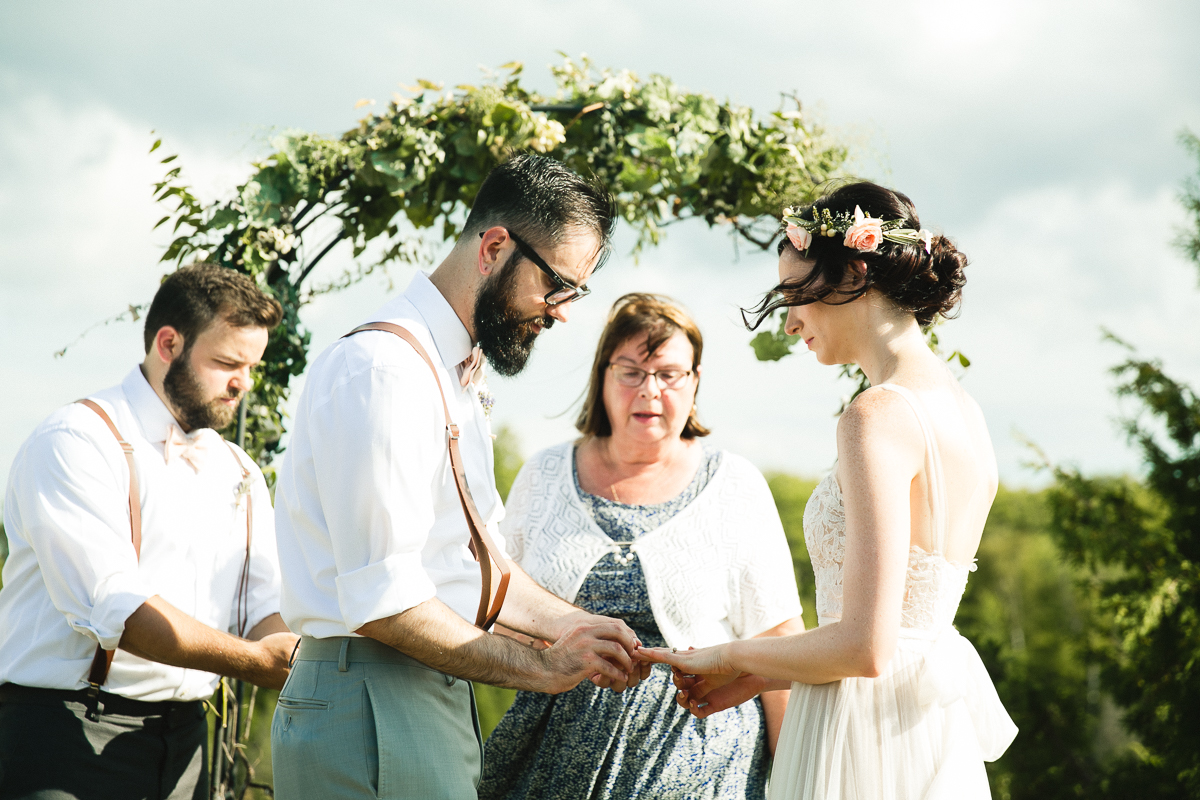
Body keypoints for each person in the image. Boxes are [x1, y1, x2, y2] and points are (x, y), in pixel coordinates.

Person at [270, 153, 650, 800]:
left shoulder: (452, 375)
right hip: (371, 696)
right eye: (556, 285)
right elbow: (385, 602)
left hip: (422, 692)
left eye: (574, 293)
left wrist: (572, 627)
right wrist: (543, 668)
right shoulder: (385, 371)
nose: (561, 312)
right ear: (494, 247)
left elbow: (476, 567)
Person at [640, 182, 1018, 799]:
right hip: (924, 729)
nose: (790, 322)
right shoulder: (965, 413)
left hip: (862, 734)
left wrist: (731, 657)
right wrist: (763, 675)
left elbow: (865, 645)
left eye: (795, 295)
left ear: (853, 274)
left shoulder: (875, 416)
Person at [478, 293, 804, 800]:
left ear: (695, 382)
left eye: (670, 374)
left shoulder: (734, 485)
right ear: (602, 378)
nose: (650, 390)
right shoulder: (542, 474)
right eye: (630, 371)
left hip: (702, 768)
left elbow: (780, 644)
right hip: (547, 766)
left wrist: (797, 784)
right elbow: (498, 608)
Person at [0, 263, 298, 800]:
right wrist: (255, 662)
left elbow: (261, 609)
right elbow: (120, 609)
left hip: (187, 743)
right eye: (228, 362)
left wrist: (296, 650)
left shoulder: (239, 471)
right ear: (168, 343)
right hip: (68, 732)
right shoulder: (77, 441)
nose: (243, 383)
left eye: (251, 366)